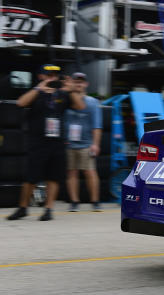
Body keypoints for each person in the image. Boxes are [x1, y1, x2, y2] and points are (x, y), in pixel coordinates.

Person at [7, 65, 84, 221]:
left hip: (57, 142)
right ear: (41, 76)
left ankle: (48, 209)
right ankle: (23, 208)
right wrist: (39, 89)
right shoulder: (37, 93)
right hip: (37, 142)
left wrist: (71, 90)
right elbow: (20, 103)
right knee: (31, 177)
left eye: (55, 75)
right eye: (48, 75)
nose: (52, 78)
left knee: (53, 177)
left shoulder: (62, 94)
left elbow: (80, 106)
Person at [64, 73, 103, 211]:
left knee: (90, 171)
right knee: (71, 172)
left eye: (81, 82)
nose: (79, 84)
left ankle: (95, 201)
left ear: (86, 84)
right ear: (72, 83)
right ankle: (74, 202)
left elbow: (97, 125)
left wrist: (96, 144)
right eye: (76, 82)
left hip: (87, 143)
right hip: (70, 143)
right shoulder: (67, 99)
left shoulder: (92, 102)